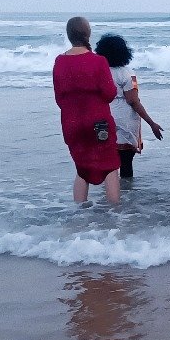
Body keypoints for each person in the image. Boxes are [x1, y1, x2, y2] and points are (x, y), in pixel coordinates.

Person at [53, 17, 121, 203]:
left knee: (81, 168)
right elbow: (109, 94)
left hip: (71, 123)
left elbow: (59, 98)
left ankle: (79, 213)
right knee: (110, 166)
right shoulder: (98, 61)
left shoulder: (60, 61)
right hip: (99, 123)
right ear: (88, 34)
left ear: (69, 35)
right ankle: (115, 214)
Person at [94, 34, 164, 179]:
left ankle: (109, 192)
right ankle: (126, 192)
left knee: (107, 165)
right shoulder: (128, 74)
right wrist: (151, 123)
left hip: (102, 119)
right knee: (126, 164)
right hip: (124, 120)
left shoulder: (97, 72)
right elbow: (133, 101)